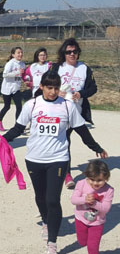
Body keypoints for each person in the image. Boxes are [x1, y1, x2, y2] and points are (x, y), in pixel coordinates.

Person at [1, 71, 107, 254]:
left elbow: (82, 130)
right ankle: (46, 221)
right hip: (34, 159)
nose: (53, 92)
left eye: (56, 88)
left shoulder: (67, 106)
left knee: (52, 199)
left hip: (58, 159)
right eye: (49, 88)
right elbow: (18, 129)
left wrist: (96, 148)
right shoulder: (32, 105)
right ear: (41, 87)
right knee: (40, 197)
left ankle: (52, 244)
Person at [51, 38, 98, 190]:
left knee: (74, 140)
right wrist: (57, 91)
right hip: (57, 111)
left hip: (76, 112)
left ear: (78, 53)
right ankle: (66, 174)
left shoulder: (84, 68)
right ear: (63, 53)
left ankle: (97, 149)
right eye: (68, 52)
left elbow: (93, 88)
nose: (72, 54)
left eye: (75, 52)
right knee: (64, 143)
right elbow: (45, 84)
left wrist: (81, 93)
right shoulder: (57, 67)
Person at [70, 160, 113, 254]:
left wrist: (94, 203)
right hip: (80, 219)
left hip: (97, 223)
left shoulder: (109, 190)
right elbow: (73, 200)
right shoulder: (81, 184)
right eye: (91, 179)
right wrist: (84, 199)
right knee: (82, 242)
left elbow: (106, 208)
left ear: (106, 178)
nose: (95, 183)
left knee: (93, 248)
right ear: (86, 176)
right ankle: (90, 251)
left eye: (99, 180)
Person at [0, 47, 26, 131]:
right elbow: (5, 75)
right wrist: (17, 73)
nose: (20, 54)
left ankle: (18, 126)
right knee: (7, 106)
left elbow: (22, 76)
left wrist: (26, 79)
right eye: (18, 53)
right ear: (13, 55)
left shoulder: (22, 64)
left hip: (16, 88)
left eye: (21, 52)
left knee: (19, 107)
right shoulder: (10, 63)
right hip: (7, 88)